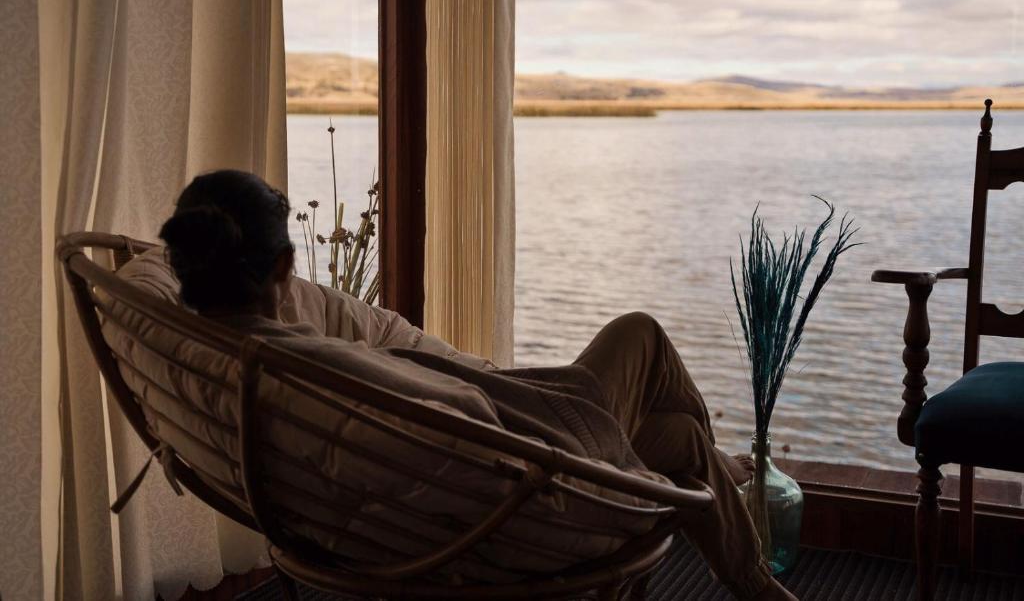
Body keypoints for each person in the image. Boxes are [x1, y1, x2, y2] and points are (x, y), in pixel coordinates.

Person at [157, 169, 798, 601]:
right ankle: (742, 528)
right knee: (642, 334)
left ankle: (748, 566)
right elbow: (466, 411)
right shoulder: (308, 366)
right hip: (527, 490)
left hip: (437, 497)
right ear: (284, 267)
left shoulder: (197, 356)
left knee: (680, 437)